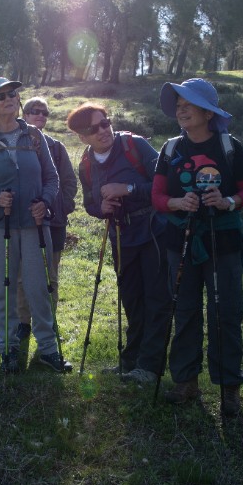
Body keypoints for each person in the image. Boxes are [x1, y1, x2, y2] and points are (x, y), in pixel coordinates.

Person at [151, 78, 243, 416]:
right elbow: (156, 198)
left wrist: (228, 200)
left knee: (225, 312)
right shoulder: (170, 149)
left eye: (189, 103)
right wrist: (178, 203)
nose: (181, 109)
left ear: (208, 112)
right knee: (184, 311)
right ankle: (185, 382)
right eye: (178, 104)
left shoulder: (230, 147)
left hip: (223, 240)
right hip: (179, 242)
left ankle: (229, 388)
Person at [0, 78, 71, 374]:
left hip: (36, 224)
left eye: (12, 94)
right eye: (0, 96)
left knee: (40, 287)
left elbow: (52, 179)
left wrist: (45, 202)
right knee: (5, 288)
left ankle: (48, 349)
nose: (8, 99)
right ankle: (9, 349)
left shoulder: (35, 137)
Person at [68, 102, 171, 384]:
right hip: (121, 236)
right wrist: (102, 207)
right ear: (82, 136)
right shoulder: (86, 164)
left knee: (156, 298)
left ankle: (149, 366)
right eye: (94, 128)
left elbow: (167, 186)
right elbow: (90, 204)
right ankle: (130, 362)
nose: (104, 130)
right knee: (132, 299)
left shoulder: (134, 146)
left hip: (154, 231)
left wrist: (127, 189)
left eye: (106, 122)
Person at [16, 97, 77, 339]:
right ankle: (23, 323)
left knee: (50, 275)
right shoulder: (14, 144)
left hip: (55, 222)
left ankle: (49, 324)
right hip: (23, 221)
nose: (40, 115)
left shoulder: (57, 147)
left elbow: (69, 182)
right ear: (25, 114)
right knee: (22, 274)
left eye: (45, 113)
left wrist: (63, 206)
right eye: (35, 111)